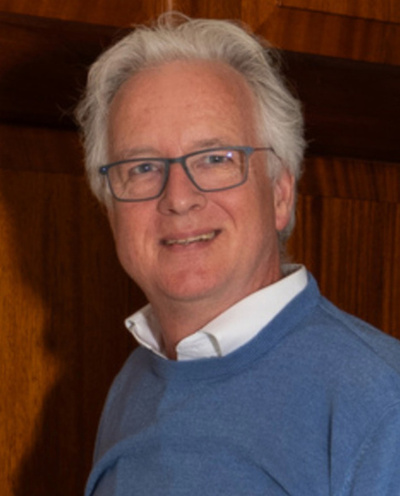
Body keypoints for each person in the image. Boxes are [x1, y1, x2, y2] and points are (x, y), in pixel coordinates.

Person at [76, 13, 400, 496]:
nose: (178, 198)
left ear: (280, 193)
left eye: (215, 159)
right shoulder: (134, 383)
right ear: (110, 209)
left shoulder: (380, 404)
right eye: (142, 167)